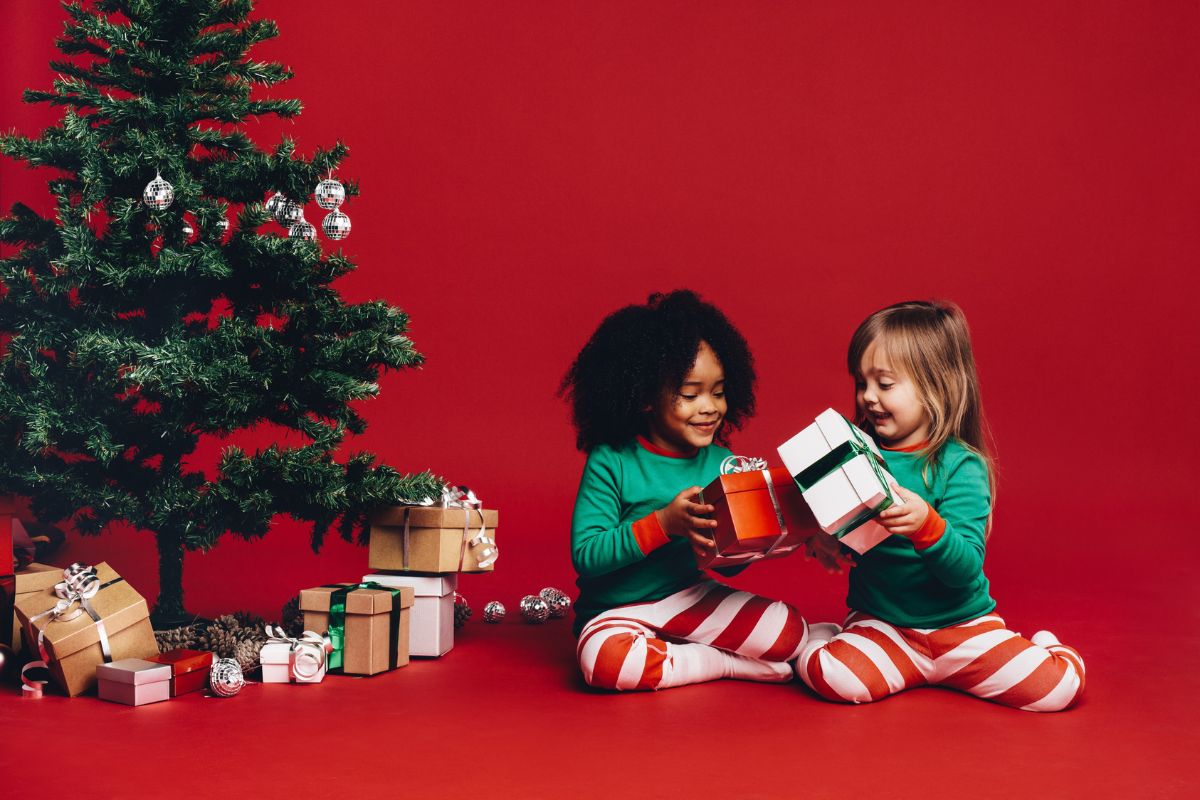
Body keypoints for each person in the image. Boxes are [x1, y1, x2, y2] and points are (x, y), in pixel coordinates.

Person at [795, 300, 1085, 711]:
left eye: (885, 384)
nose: (868, 397)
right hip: (885, 626)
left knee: (1057, 690)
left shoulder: (961, 465)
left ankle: (1045, 646)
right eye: (862, 383)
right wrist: (826, 539)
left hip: (962, 626)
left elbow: (964, 569)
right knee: (832, 677)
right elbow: (857, 535)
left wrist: (925, 525)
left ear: (937, 385)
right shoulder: (856, 454)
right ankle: (833, 637)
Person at [561, 290, 808, 691]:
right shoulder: (612, 459)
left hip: (689, 597)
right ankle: (722, 664)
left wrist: (759, 539)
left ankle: (679, 656)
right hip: (617, 611)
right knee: (608, 665)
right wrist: (664, 523)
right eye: (690, 395)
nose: (709, 407)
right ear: (643, 397)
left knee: (789, 633)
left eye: (719, 391)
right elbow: (587, 556)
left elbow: (726, 563)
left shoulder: (721, 463)